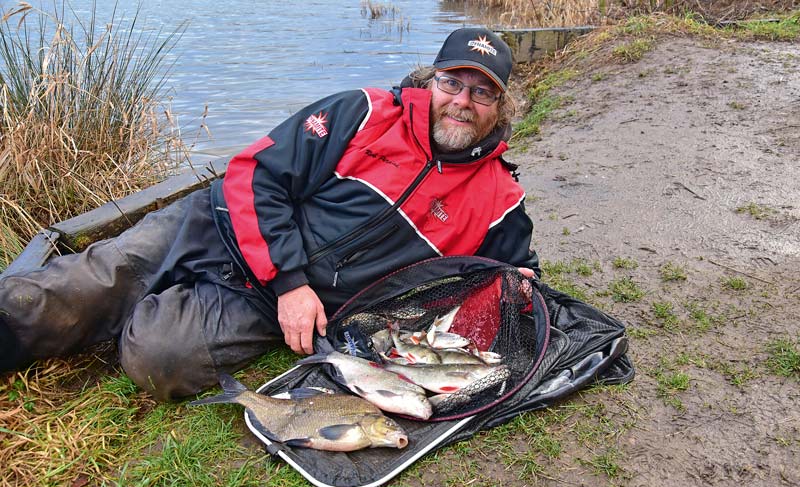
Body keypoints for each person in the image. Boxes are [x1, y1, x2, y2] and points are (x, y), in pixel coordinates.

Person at [0, 27, 540, 401]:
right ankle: (100, 303)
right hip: (220, 227)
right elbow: (255, 173)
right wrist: (289, 281)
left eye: (482, 91)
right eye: (453, 82)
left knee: (159, 362)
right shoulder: (365, 112)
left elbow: (514, 270)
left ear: (501, 107)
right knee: (85, 283)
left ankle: (138, 312)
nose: (462, 101)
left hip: (264, 304)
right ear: (431, 80)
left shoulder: (499, 199)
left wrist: (518, 285)